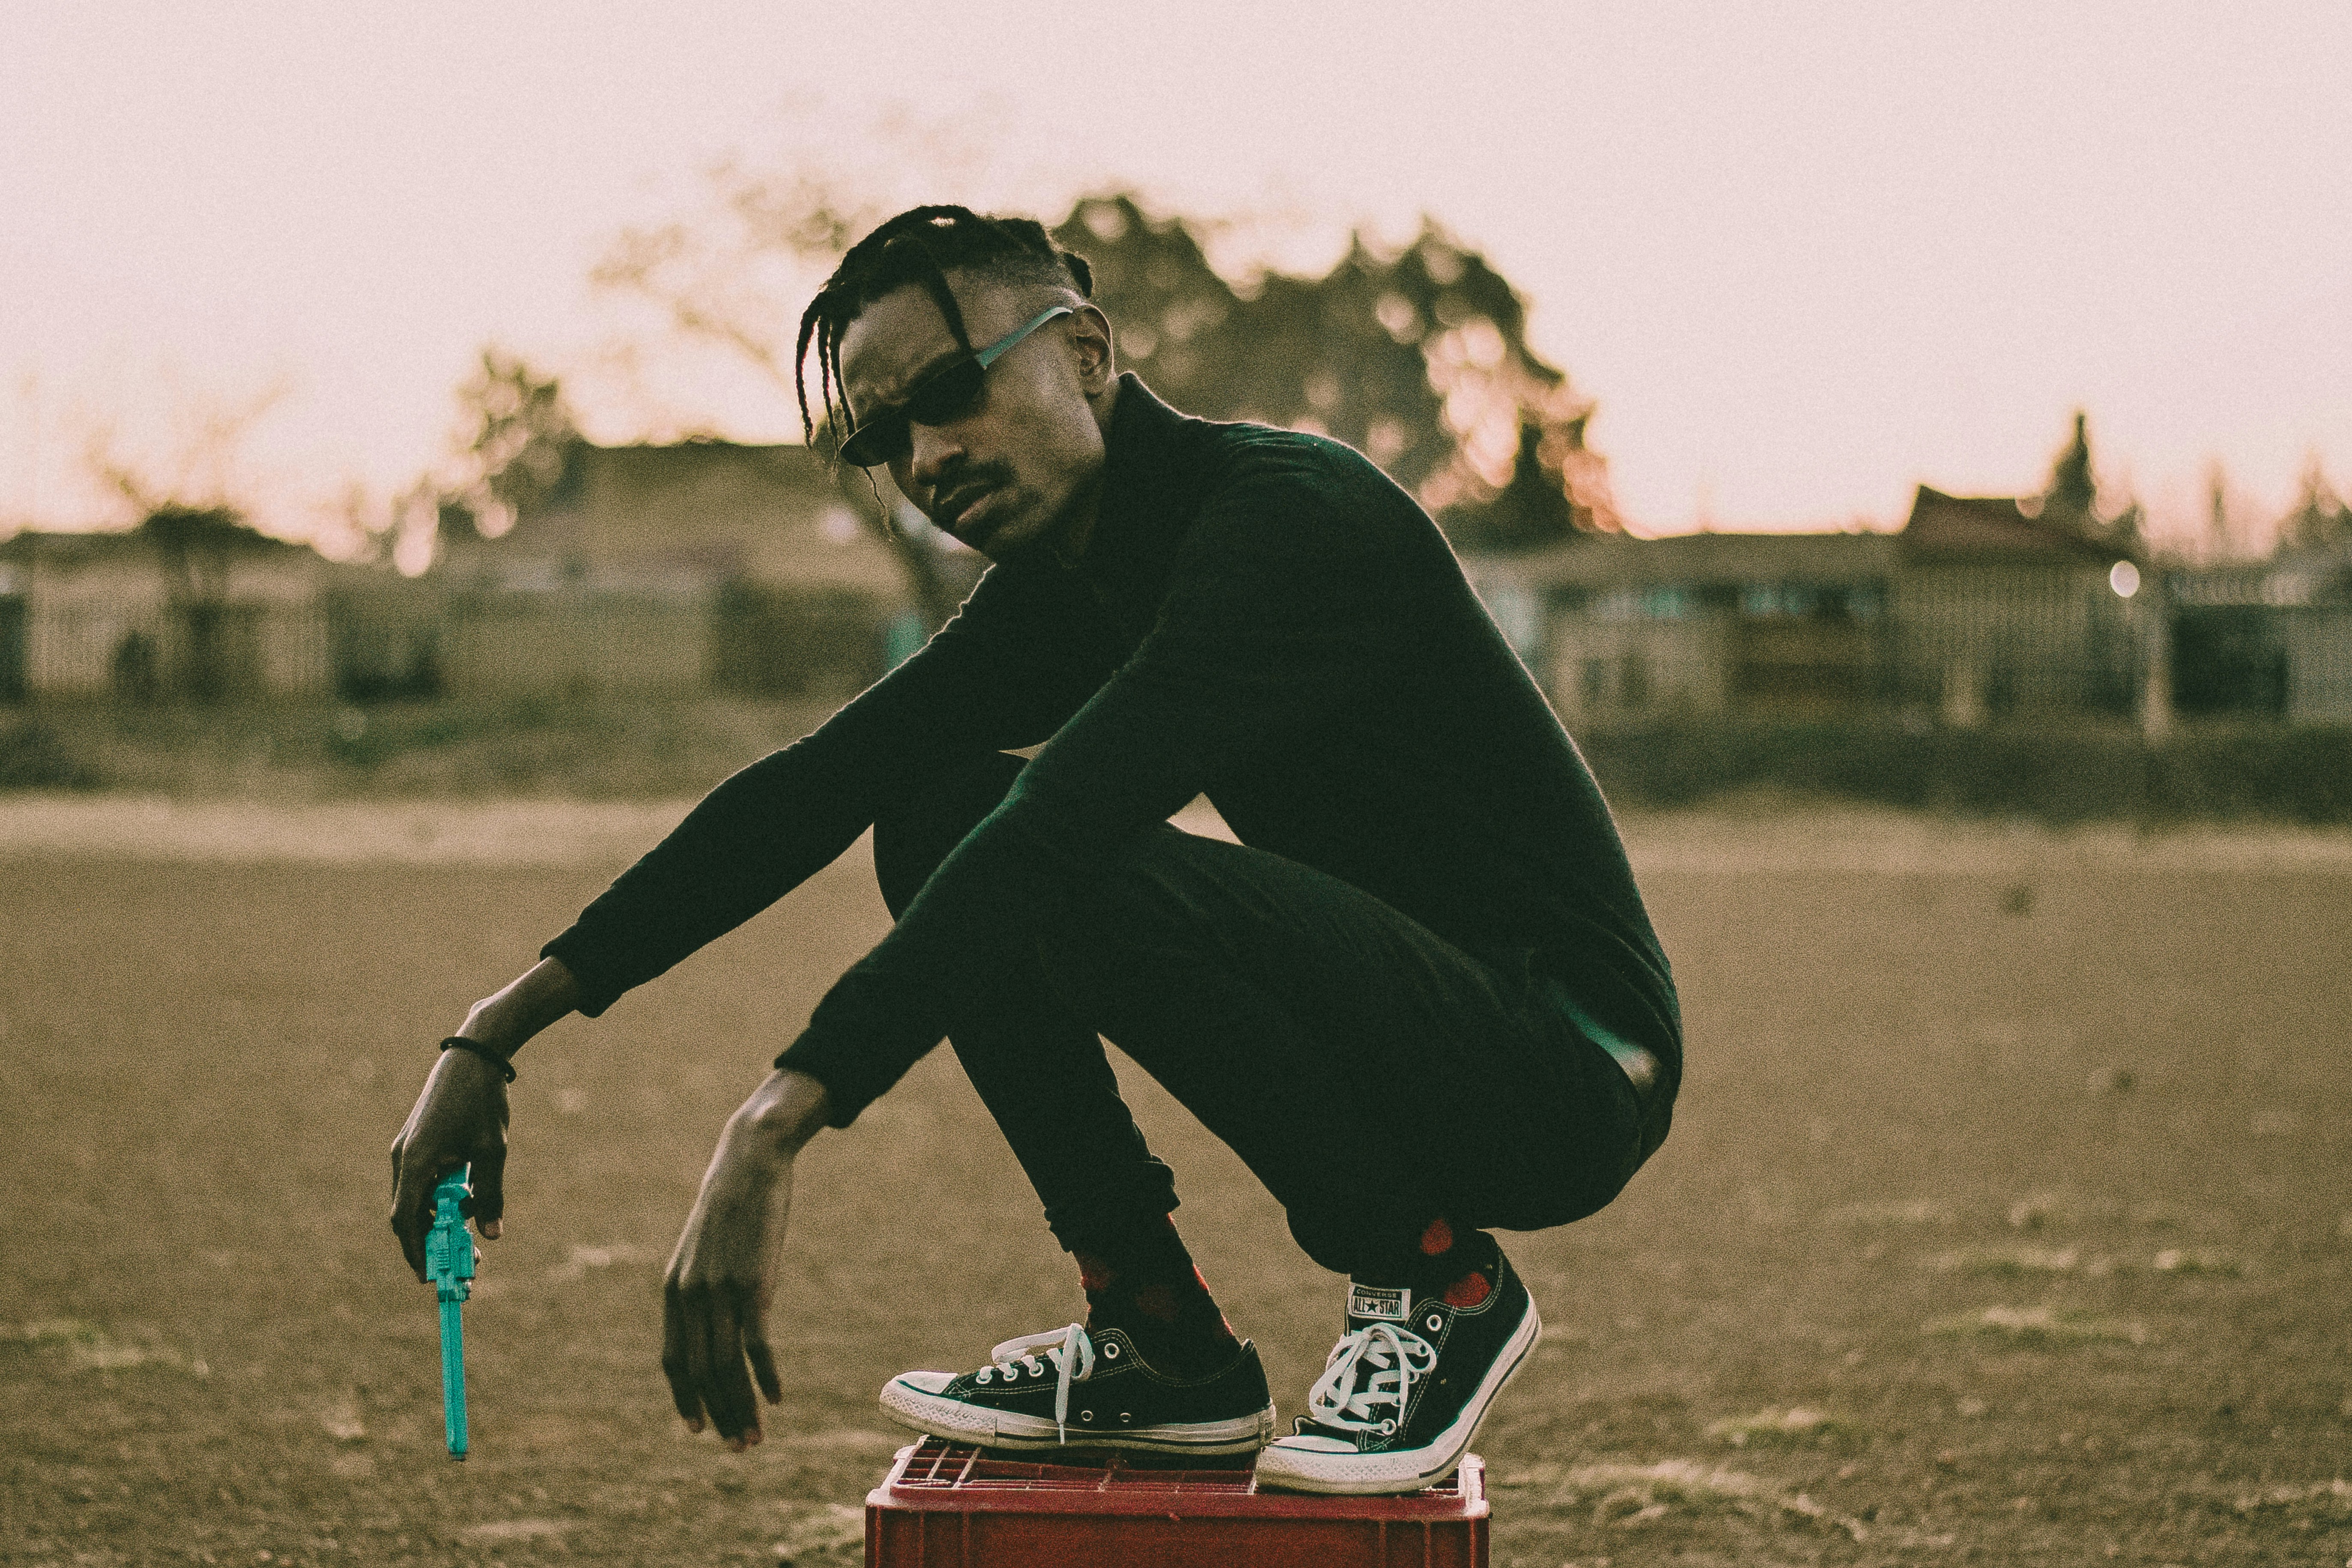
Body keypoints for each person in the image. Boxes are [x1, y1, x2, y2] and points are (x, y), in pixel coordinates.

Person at [389, 205, 1679, 1496]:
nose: (927, 454)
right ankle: (1160, 1338)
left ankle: (1437, 1282)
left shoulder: (1289, 521)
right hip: (1404, 1035)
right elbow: (812, 789)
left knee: (1049, 853)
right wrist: (496, 1027)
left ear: (1086, 354)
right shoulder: (1072, 582)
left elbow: (1063, 824)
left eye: (951, 392)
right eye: (884, 437)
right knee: (936, 807)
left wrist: (778, 1117)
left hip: (1560, 1065)